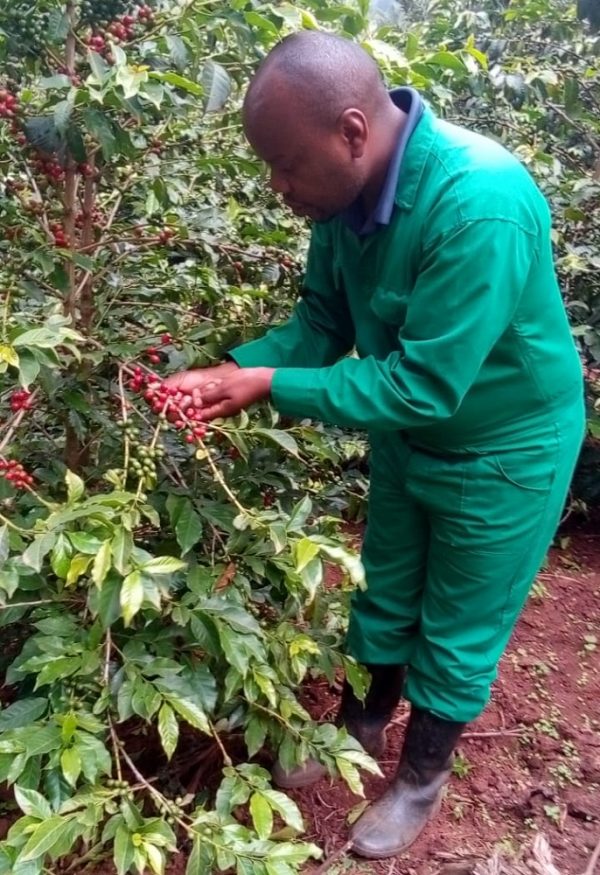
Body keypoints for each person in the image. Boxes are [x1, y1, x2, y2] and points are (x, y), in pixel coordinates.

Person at [165, 31, 585, 860]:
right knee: (386, 590)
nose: (277, 186)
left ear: (353, 131)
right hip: (408, 435)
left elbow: (426, 385)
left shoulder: (480, 202)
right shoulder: (343, 203)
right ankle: (357, 725)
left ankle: (420, 777)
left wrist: (271, 388)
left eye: (286, 164)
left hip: (504, 450)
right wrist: (231, 371)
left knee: (459, 624)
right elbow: (324, 324)